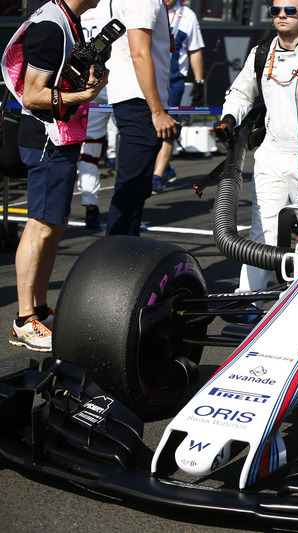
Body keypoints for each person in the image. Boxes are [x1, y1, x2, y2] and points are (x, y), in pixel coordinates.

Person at [215, 0, 298, 293]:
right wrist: (229, 116)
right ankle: (247, 300)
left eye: (290, 10)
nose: (281, 15)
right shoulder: (261, 53)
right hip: (271, 155)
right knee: (259, 233)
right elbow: (241, 93)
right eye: (276, 10)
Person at [1, 0, 107, 351]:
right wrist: (84, 94)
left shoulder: (65, 19)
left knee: (54, 224)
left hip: (59, 136)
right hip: (47, 137)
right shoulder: (51, 25)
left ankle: (40, 310)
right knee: (41, 225)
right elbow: (32, 95)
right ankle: (24, 320)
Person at [106, 0, 177, 235]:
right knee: (131, 191)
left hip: (134, 99)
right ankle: (116, 260)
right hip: (140, 101)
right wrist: (157, 111)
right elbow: (139, 53)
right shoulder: (143, 0)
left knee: (134, 189)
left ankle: (123, 257)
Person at [151, 0, 205, 194]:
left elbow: (195, 50)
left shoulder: (187, 15)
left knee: (169, 129)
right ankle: (160, 166)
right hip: (148, 80)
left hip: (174, 82)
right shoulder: (147, 7)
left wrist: (199, 81)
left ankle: (157, 176)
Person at [78, 0, 112, 230]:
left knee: (86, 150)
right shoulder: (112, 7)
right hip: (107, 85)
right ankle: (92, 207)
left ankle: (91, 206)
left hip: (82, 83)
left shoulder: (74, 10)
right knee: (89, 150)